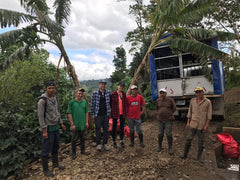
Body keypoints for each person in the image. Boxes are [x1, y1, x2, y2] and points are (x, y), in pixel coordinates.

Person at [38, 81, 66, 177]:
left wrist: (61, 123)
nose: (51, 90)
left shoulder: (55, 99)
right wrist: (44, 130)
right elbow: (41, 117)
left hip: (55, 127)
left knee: (56, 146)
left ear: (55, 89)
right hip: (48, 128)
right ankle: (45, 170)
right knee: (46, 148)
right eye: (49, 88)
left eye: (52, 88)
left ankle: (55, 163)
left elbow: (57, 112)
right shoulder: (42, 101)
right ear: (46, 88)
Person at [179, 87, 212, 163]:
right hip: (193, 124)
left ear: (203, 92)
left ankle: (199, 157)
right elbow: (189, 112)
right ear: (195, 93)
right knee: (188, 139)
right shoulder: (192, 101)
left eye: (200, 92)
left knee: (201, 141)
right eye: (197, 92)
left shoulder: (208, 102)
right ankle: (184, 155)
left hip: (201, 125)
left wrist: (206, 126)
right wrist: (188, 122)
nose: (198, 94)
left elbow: (209, 115)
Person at [67, 88, 89, 160]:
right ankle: (73, 153)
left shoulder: (84, 102)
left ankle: (83, 151)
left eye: (81, 94)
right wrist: (72, 124)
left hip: (82, 124)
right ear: (76, 93)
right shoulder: (72, 103)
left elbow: (86, 112)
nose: (80, 95)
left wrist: (86, 122)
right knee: (74, 139)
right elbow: (69, 113)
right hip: (75, 124)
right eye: (79, 93)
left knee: (82, 138)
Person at [91, 80, 111, 151]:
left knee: (106, 129)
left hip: (106, 114)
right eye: (102, 84)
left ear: (105, 85)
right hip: (98, 114)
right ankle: (98, 144)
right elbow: (92, 104)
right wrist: (92, 114)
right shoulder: (95, 93)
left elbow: (110, 103)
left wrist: (110, 112)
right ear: (99, 85)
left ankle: (105, 143)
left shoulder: (108, 92)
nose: (103, 85)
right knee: (98, 129)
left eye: (104, 84)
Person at [156, 88, 176, 155]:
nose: (162, 94)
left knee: (169, 134)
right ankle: (159, 146)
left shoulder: (170, 100)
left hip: (168, 120)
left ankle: (170, 148)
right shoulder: (158, 100)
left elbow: (174, 108)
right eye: (161, 93)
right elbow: (157, 108)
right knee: (160, 134)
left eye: (163, 93)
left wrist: (169, 113)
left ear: (166, 93)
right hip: (160, 120)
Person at [110, 82, 127, 148]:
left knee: (122, 127)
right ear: (118, 86)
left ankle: (121, 140)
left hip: (122, 113)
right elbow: (110, 104)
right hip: (115, 113)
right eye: (120, 86)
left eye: (122, 87)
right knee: (114, 127)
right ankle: (114, 141)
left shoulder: (124, 94)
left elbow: (125, 103)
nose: (121, 87)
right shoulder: (113, 94)